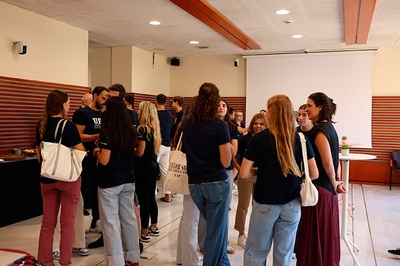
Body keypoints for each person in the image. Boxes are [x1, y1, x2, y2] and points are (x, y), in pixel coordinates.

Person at [240, 94, 318, 266]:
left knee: (256, 252)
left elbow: (244, 173)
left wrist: (261, 172)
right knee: (284, 254)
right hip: (292, 204)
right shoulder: (301, 139)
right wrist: (298, 174)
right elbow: (314, 173)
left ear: (271, 114)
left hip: (265, 204)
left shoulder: (258, 139)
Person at [182, 82, 232, 266]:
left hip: (195, 183)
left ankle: (223, 263)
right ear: (216, 101)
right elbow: (226, 162)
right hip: (216, 183)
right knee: (215, 232)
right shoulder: (220, 126)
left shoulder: (187, 122)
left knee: (215, 228)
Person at [295, 92, 346, 266]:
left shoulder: (320, 131)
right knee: (323, 233)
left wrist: (334, 182)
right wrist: (337, 182)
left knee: (316, 235)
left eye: (309, 105)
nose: (306, 109)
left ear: (320, 107)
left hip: (320, 190)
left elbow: (327, 162)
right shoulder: (329, 128)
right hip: (326, 189)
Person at [36, 90, 86, 266]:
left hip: (47, 178)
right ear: (62, 105)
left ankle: (45, 260)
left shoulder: (41, 125)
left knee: (47, 223)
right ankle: (65, 262)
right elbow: (80, 151)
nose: (70, 106)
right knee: (67, 224)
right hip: (68, 180)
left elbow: (39, 153)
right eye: (68, 103)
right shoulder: (68, 126)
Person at [93, 96, 140, 266]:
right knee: (129, 220)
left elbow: (105, 160)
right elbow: (137, 151)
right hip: (128, 179)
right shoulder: (130, 129)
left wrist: (97, 152)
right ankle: (133, 258)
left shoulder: (107, 131)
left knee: (110, 222)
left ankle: (115, 261)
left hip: (110, 182)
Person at [72, 86, 108, 248]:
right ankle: (77, 229)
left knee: (98, 192)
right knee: (84, 191)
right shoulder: (82, 113)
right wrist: (96, 136)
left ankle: (96, 220)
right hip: (85, 158)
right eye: (103, 97)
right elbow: (77, 135)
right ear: (95, 96)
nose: (105, 100)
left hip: (100, 158)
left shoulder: (105, 114)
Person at [233, 113, 267, 249]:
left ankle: (257, 234)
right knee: (243, 205)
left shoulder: (268, 139)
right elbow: (235, 156)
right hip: (246, 175)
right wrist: (240, 169)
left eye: (261, 124)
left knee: (259, 206)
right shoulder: (245, 139)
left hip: (262, 175)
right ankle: (241, 233)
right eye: (255, 123)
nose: (258, 126)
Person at [135, 101, 162, 242]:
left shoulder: (142, 129)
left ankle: (144, 231)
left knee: (143, 199)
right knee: (151, 197)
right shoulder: (155, 129)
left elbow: (140, 152)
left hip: (143, 167)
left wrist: (130, 148)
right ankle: (154, 226)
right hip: (153, 165)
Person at [155, 94, 174, 203]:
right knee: (165, 171)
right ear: (165, 102)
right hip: (167, 145)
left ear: (156, 101)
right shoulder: (169, 115)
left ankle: (152, 194)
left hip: (157, 145)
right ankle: (168, 195)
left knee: (153, 170)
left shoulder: (155, 114)